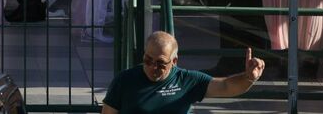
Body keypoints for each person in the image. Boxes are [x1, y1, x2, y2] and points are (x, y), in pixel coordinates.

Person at [101, 31, 264, 114]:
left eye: (160, 63)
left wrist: (248, 78)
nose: (152, 67)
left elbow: (226, 86)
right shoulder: (124, 80)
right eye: (148, 60)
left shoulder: (186, 80)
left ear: (174, 61)